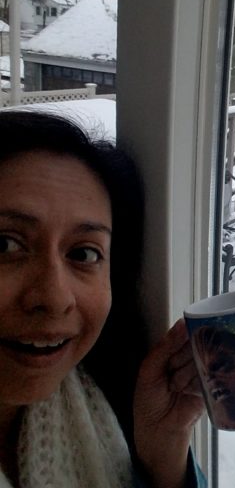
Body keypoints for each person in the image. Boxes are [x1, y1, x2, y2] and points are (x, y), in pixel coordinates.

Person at [0, 110, 207, 488]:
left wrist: (163, 457)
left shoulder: (115, 401)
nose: (54, 298)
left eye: (83, 253)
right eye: (6, 245)